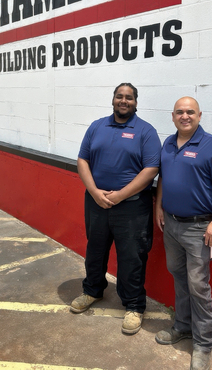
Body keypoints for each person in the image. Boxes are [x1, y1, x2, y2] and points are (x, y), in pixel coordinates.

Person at [70, 83, 161, 335]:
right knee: (95, 250)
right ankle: (92, 290)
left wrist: (121, 195)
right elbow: (82, 160)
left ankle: (133, 305)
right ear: (113, 100)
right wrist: (94, 192)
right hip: (97, 203)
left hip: (132, 207)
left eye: (129, 98)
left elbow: (151, 169)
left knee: (132, 256)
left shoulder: (146, 131)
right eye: (119, 96)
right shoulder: (97, 126)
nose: (124, 101)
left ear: (135, 102)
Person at [155, 97, 212, 370]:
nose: (185, 116)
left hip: (200, 228)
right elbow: (163, 178)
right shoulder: (167, 143)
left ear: (200, 115)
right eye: (180, 112)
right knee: (178, 276)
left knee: (198, 285)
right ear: (173, 115)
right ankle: (183, 326)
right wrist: (159, 207)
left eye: (190, 112)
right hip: (172, 225)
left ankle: (203, 343)